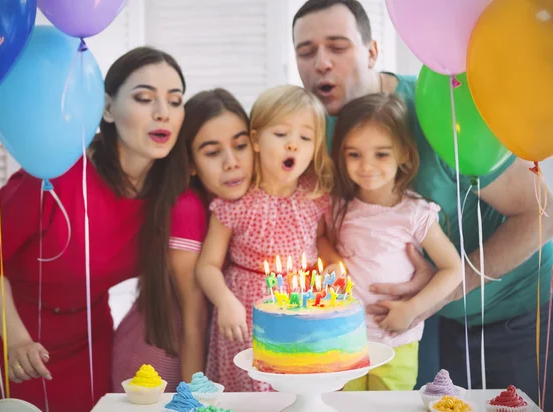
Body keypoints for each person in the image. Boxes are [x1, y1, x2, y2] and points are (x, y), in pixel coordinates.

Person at [292, 0, 553, 406]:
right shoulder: (318, 131)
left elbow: (541, 214)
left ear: (373, 52)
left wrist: (437, 289)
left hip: (517, 312)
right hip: (425, 326)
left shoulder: (442, 108)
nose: (321, 63)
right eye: (306, 52)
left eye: (337, 46)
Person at [0, 47, 193, 412]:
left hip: (89, 339)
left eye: (175, 100)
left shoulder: (172, 194)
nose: (162, 112)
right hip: (11, 334)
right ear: (106, 109)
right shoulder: (56, 171)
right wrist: (16, 340)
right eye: (144, 98)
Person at [111, 88, 254, 392]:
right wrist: (195, 399)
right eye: (212, 152)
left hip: (201, 352)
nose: (232, 162)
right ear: (190, 164)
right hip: (160, 361)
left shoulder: (239, 205)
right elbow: (194, 316)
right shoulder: (188, 208)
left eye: (240, 145)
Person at [196, 85, 333, 392]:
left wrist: (332, 263)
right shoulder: (236, 204)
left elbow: (320, 240)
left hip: (302, 310)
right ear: (255, 140)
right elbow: (207, 266)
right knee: (253, 391)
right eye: (282, 134)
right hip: (247, 314)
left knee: (299, 391)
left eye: (305, 137)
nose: (293, 146)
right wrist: (225, 301)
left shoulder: (315, 197)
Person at [326, 93, 462, 390]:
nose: (366, 165)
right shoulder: (337, 208)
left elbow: (454, 269)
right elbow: (320, 241)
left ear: (404, 154)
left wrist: (412, 309)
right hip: (341, 342)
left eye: (381, 154)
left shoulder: (415, 213)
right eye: (354, 154)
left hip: (394, 344)